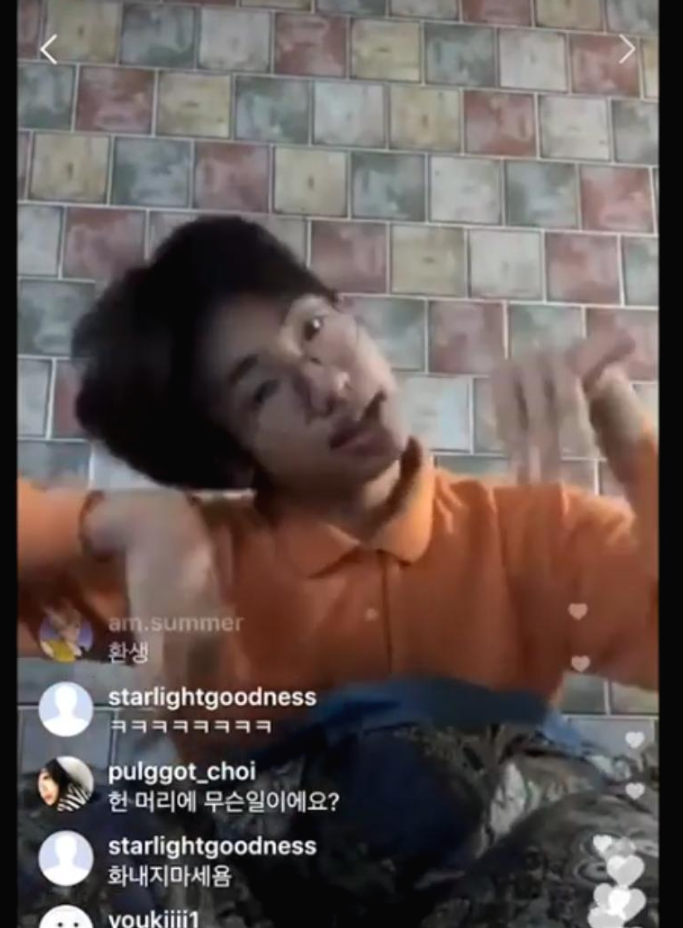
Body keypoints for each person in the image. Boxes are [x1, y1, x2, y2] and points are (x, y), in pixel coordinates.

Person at [17, 215, 657, 707]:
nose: (327, 386)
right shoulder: (184, 568)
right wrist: (134, 522)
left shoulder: (537, 535)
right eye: (261, 391)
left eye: (314, 329)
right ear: (231, 456)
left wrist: (624, 427)